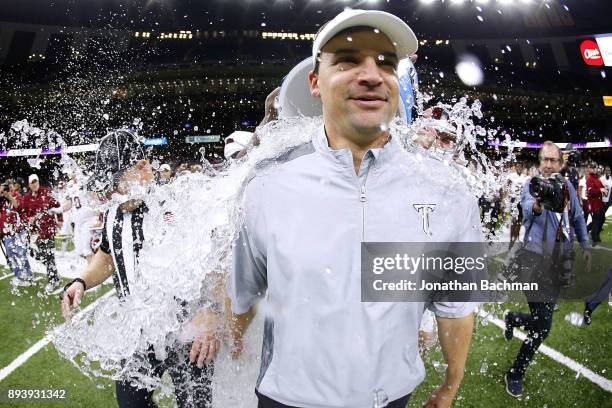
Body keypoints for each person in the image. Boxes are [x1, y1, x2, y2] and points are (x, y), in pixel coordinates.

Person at [229, 9, 482, 408]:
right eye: (348, 61)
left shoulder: (446, 190)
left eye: (385, 61)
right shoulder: (266, 185)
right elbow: (243, 291)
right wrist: (222, 331)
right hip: (286, 399)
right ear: (314, 82)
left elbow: (455, 304)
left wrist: (451, 384)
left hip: (390, 398)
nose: (371, 74)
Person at [60, 130, 221, 408]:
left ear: (144, 168)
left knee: (195, 404)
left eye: (117, 183)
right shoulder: (114, 211)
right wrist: (81, 281)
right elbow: (108, 257)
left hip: (186, 328)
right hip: (137, 332)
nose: (112, 193)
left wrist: (209, 310)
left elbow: (214, 258)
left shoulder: (179, 201)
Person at [503, 141, 591, 397]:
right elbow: (529, 210)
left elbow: (576, 218)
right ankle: (515, 373)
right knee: (543, 327)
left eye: (553, 160)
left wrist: (585, 245)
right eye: (544, 160)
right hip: (533, 261)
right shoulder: (531, 186)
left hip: (558, 262)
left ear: (560, 163)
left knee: (542, 322)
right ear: (539, 161)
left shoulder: (567, 187)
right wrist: (539, 204)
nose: (548, 165)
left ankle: (514, 318)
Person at [21, 174, 61, 293]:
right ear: (29, 185)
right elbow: (23, 213)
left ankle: (53, 280)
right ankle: (54, 274)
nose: (35, 184)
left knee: (49, 255)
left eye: (36, 181)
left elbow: (57, 206)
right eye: (32, 182)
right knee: (35, 253)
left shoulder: (47, 192)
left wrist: (61, 220)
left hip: (48, 230)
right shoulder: (26, 198)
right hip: (36, 233)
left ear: (38, 181)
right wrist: (28, 219)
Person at [0, 179, 33, 286]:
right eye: (6, 187)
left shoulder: (18, 196)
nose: (8, 189)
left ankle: (28, 275)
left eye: (10, 187)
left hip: (18, 231)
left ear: (14, 187)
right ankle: (18, 276)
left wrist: (9, 196)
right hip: (7, 233)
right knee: (10, 256)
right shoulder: (2, 200)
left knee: (21, 253)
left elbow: (18, 206)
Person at [586, 162, 607, 245]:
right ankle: (595, 237)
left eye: (595, 167)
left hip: (599, 203)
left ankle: (588, 229)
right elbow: (590, 192)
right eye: (592, 167)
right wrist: (600, 190)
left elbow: (602, 187)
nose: (594, 169)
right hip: (593, 203)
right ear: (590, 169)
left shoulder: (597, 178)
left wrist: (605, 190)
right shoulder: (589, 179)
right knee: (597, 220)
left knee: (602, 219)